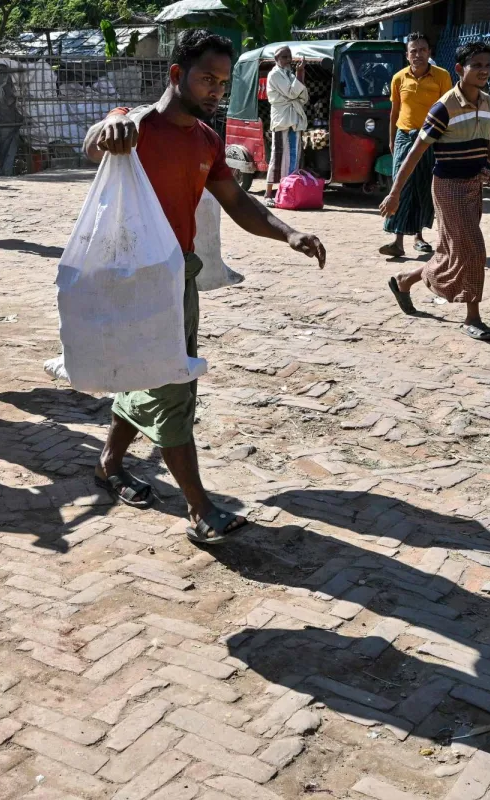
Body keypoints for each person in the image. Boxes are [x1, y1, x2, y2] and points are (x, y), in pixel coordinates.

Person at [83, 29, 326, 544]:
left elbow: (237, 202)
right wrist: (109, 124)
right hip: (132, 282)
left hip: (179, 278)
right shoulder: (135, 127)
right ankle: (200, 508)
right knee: (173, 387)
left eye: (222, 82)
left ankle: (109, 463)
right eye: (207, 79)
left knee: (153, 376)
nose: (216, 91)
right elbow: (94, 143)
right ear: (177, 75)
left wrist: (289, 232)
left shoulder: (207, 141)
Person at [380, 41, 490, 342]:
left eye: (487, 65)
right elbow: (415, 152)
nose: (483, 71)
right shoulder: (444, 107)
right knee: (474, 250)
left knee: (451, 252)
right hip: (448, 188)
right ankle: (472, 317)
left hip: (473, 187)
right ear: (459, 69)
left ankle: (404, 281)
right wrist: (395, 192)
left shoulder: (487, 103)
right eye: (476, 65)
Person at [380, 32, 452, 257]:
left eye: (422, 50)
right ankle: (397, 241)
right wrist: (392, 140)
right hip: (404, 136)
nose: (418, 54)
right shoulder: (398, 78)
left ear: (429, 52)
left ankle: (419, 237)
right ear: (407, 55)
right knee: (401, 185)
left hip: (431, 138)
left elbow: (449, 110)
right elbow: (394, 113)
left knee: (423, 187)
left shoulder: (442, 76)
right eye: (413, 51)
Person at [264, 46, 309, 207]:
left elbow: (302, 95)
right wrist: (299, 74)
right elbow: (292, 93)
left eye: (289, 56)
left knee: (294, 155)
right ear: (277, 60)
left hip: (294, 118)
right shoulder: (275, 74)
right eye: (284, 57)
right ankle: (268, 194)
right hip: (282, 119)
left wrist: (300, 74)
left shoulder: (289, 74)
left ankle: (288, 192)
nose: (288, 60)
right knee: (278, 155)